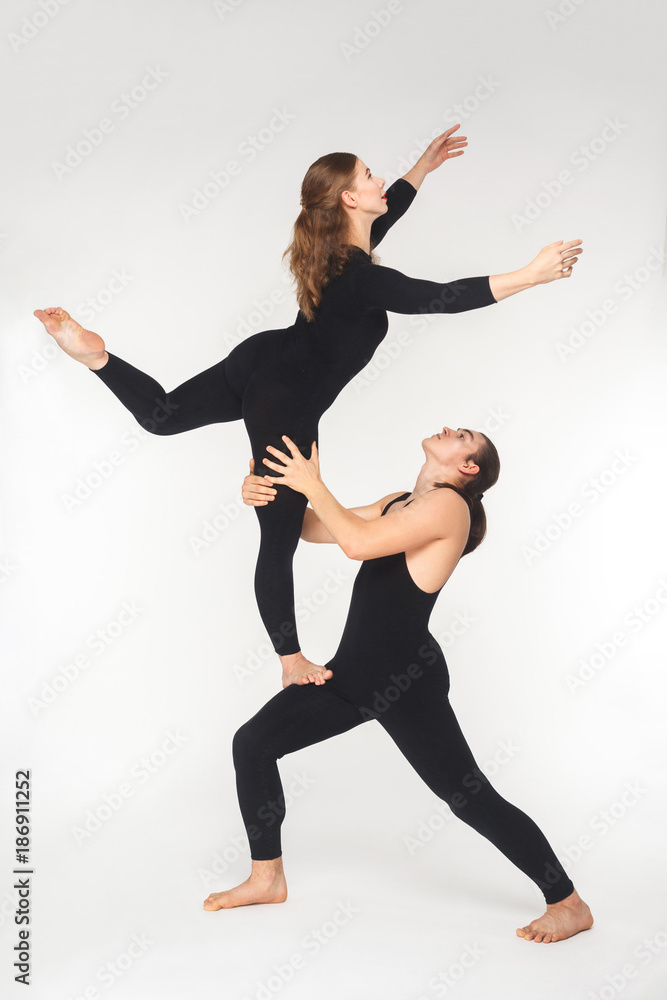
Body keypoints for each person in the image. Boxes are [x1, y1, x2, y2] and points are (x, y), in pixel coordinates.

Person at [33, 125, 583, 686]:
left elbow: (384, 217)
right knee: (278, 536)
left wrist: (422, 169)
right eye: (370, 176)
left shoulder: (340, 253)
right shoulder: (357, 275)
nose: (379, 180)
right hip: (286, 401)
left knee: (164, 416)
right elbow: (436, 298)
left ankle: (95, 357)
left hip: (264, 359)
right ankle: (290, 660)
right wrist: (531, 275)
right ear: (349, 199)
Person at [202, 427, 594, 944]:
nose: (451, 429)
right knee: (252, 743)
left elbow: (357, 544)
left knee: (467, 796)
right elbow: (315, 528)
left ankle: (568, 903)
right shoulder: (401, 502)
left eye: (464, 436)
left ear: (468, 467)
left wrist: (312, 481)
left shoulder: (451, 507)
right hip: (351, 677)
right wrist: (266, 493)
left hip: (404, 679)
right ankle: (266, 877)